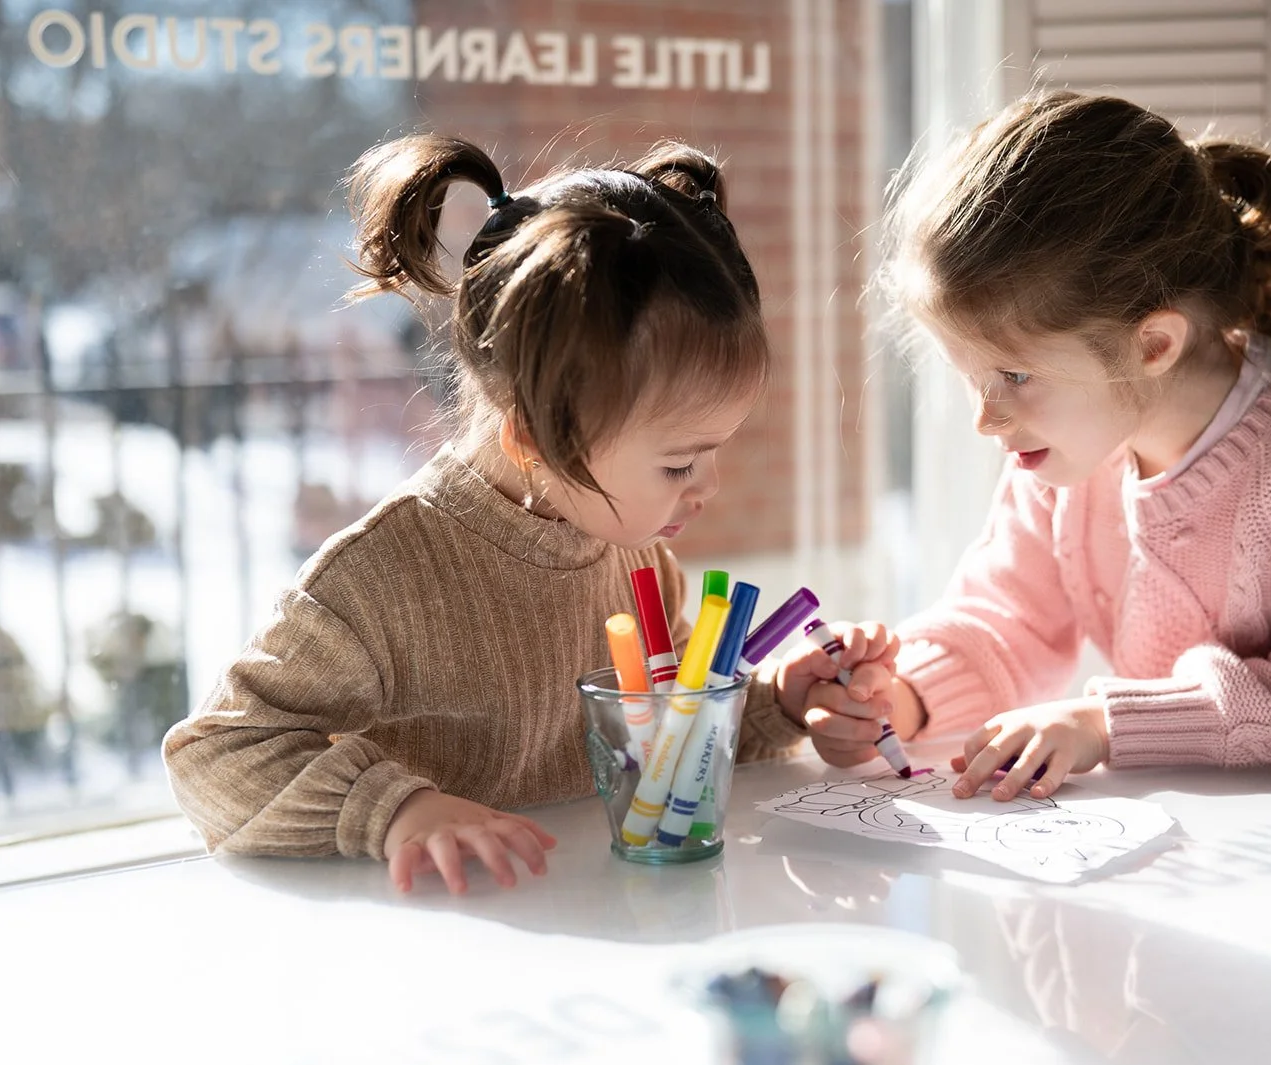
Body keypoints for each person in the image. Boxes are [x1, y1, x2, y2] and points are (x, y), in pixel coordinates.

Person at [163, 133, 896, 892]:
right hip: (453, 940)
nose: (707, 486)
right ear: (534, 437)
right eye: (679, 462)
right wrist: (399, 809)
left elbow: (668, 747)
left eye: (713, 452)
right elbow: (214, 756)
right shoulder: (382, 578)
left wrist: (779, 702)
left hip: (604, 921)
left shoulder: (636, 556)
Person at [802, 90, 1271, 799]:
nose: (987, 417)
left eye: (1013, 375)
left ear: (1152, 345)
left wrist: (1105, 721)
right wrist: (899, 696)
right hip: (1220, 826)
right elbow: (1007, 623)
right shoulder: (1069, 444)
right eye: (970, 377)